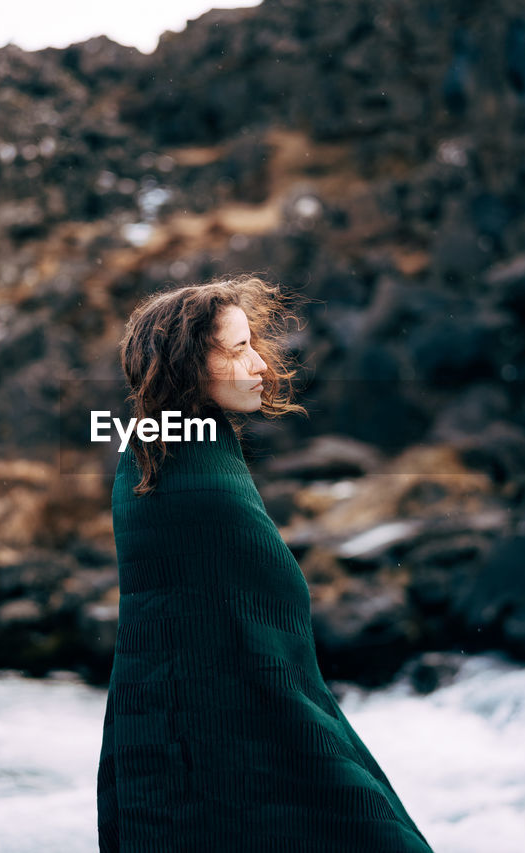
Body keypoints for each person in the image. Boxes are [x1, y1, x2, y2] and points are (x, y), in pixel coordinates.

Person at [96, 275, 434, 852]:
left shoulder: (153, 448)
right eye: (235, 350)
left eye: (253, 344)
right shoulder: (199, 481)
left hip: (164, 725)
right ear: (184, 368)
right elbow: (256, 623)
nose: (260, 365)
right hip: (220, 729)